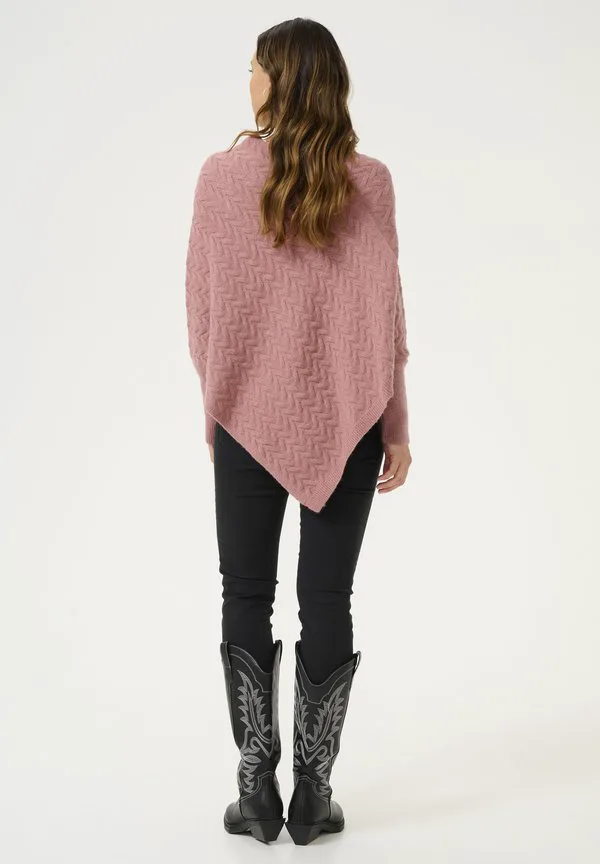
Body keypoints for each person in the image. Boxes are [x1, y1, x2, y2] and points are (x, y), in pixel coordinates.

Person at [185, 17, 412, 846]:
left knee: (244, 594)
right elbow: (387, 322)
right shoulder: (371, 181)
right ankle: (313, 797)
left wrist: (222, 399)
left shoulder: (220, 178)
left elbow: (201, 308)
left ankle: (257, 791)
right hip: (349, 420)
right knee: (328, 600)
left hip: (245, 417)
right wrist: (393, 423)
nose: (247, 80)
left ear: (280, 81)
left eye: (255, 67)